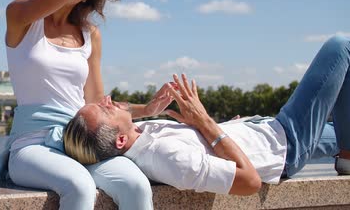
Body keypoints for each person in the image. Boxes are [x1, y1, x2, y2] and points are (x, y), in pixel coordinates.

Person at [0, 0, 177, 210]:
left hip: (83, 144)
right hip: (31, 146)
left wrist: (146, 109)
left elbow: (97, 102)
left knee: (135, 184)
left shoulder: (90, 36)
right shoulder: (21, 16)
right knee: (78, 185)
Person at [64, 35, 350, 196]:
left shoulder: (141, 136)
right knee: (340, 48)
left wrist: (226, 128)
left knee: (343, 133)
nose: (107, 99)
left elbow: (206, 144)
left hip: (266, 131)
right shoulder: (165, 157)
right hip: (286, 143)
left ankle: (346, 152)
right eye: (103, 109)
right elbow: (248, 182)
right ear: (120, 140)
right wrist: (205, 120)